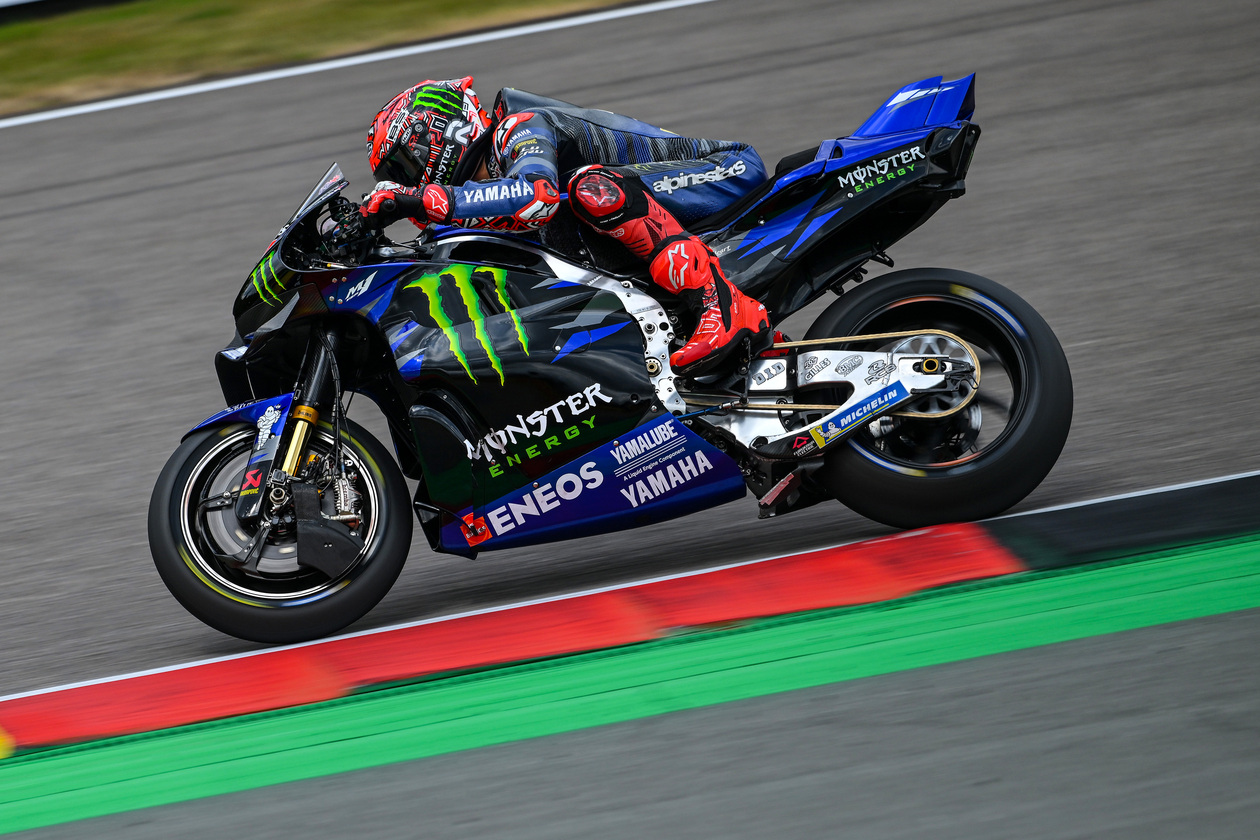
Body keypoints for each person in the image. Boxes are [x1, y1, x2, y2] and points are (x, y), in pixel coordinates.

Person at [359, 76, 771, 373]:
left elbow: (534, 195)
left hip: (724, 170)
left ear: (438, 132)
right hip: (664, 204)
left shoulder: (518, 128)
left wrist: (423, 199)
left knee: (589, 187)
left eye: (404, 166)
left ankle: (721, 304)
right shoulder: (482, 199)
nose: (406, 182)